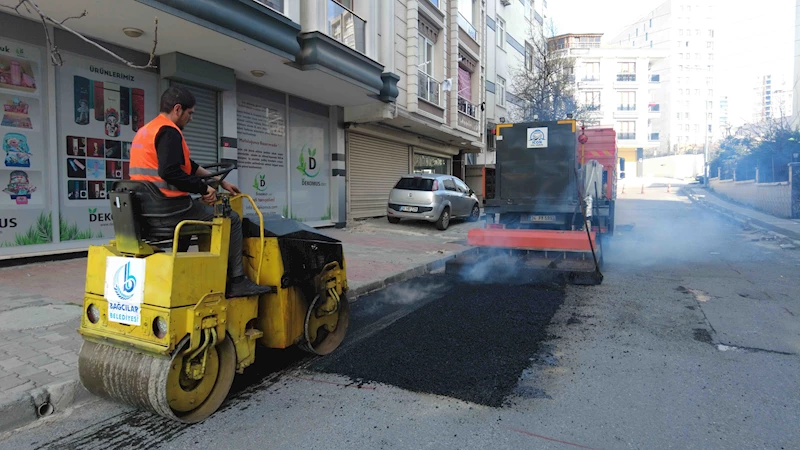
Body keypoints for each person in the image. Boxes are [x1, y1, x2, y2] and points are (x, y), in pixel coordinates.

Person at [129, 85, 271, 298]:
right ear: (177, 109)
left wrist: (219, 182)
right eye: (190, 113)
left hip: (148, 210)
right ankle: (238, 281)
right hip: (169, 210)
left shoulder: (147, 130)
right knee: (231, 219)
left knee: (196, 210)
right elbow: (169, 172)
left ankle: (180, 273)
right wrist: (202, 188)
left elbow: (188, 165)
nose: (191, 118)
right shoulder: (170, 132)